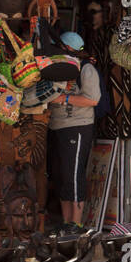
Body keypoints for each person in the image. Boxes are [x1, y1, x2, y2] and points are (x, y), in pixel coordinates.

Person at [47, 31, 100, 230]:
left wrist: (63, 99)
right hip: (57, 126)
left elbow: (93, 100)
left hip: (77, 127)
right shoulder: (61, 68)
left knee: (73, 174)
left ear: (67, 49)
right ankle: (66, 222)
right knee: (60, 176)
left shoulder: (86, 70)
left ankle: (76, 223)